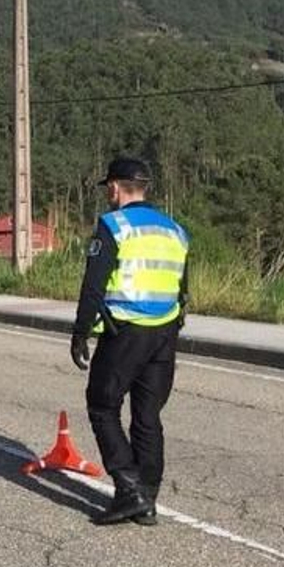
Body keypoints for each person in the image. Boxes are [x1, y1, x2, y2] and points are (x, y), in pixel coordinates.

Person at [70, 157, 189, 526]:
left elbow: (93, 284)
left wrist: (80, 332)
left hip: (125, 330)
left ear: (115, 188)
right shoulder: (174, 229)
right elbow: (182, 287)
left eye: (108, 187)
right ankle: (148, 497)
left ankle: (129, 489)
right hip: (165, 332)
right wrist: (173, 324)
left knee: (102, 406)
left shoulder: (113, 225)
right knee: (147, 415)